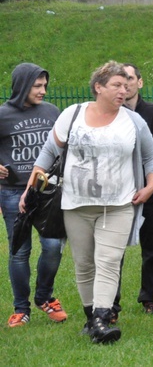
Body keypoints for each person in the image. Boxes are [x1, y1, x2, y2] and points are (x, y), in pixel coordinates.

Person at [29, 60, 153, 344]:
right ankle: (91, 319)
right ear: (98, 87)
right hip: (76, 204)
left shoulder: (133, 121)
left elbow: (152, 156)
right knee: (85, 264)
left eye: (126, 86)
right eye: (116, 85)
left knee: (109, 260)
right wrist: (32, 187)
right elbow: (49, 151)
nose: (123, 91)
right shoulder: (72, 114)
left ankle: (102, 318)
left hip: (119, 204)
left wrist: (150, 186)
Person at [0, 63, 66, 328]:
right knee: (19, 251)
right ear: (22, 86)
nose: (43, 90)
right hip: (14, 191)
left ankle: (44, 297)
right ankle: (21, 309)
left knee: (53, 246)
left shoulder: (52, 111)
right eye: (37, 85)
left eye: (44, 85)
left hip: (47, 190)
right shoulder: (3, 114)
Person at [112, 63, 153, 317]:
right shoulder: (110, 114)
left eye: (130, 78)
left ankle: (150, 299)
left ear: (140, 82)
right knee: (113, 251)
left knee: (152, 251)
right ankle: (111, 303)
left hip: (152, 192)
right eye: (121, 79)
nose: (126, 84)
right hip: (118, 192)